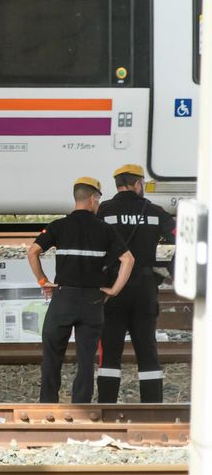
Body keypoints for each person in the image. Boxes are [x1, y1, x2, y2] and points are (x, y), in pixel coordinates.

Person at [28, 177, 134, 403]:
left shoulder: (59, 225)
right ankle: (81, 405)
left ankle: (48, 402)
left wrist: (42, 281)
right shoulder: (105, 230)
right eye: (99, 199)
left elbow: (32, 252)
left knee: (52, 355)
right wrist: (113, 290)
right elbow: (128, 259)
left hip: (63, 297)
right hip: (92, 300)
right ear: (94, 198)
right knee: (86, 359)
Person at [96, 164, 176, 403]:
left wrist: (99, 280)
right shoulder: (154, 211)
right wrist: (165, 272)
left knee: (109, 352)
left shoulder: (104, 211)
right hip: (145, 288)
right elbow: (185, 237)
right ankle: (152, 406)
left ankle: (107, 405)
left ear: (118, 184)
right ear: (138, 184)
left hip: (113, 289)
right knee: (148, 351)